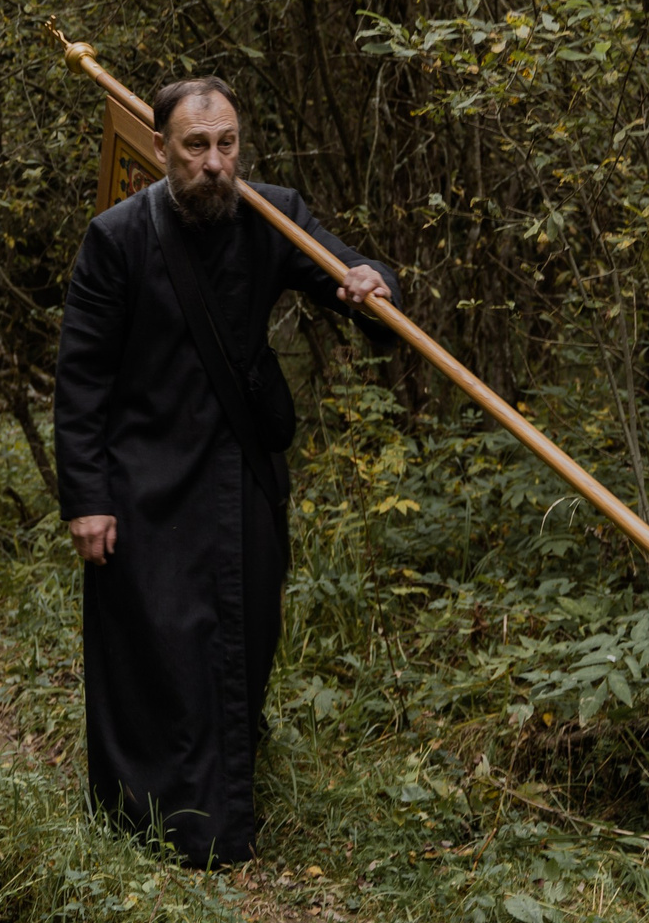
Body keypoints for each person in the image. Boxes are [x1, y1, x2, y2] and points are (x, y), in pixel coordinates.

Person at [52, 77, 394, 868]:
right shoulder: (116, 237)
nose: (215, 163)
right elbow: (82, 380)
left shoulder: (273, 213)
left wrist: (369, 281)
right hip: (143, 474)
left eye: (227, 143)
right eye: (196, 146)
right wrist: (88, 499)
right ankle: (149, 822)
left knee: (245, 636)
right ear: (161, 149)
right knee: (159, 644)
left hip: (240, 471)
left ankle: (225, 814)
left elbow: (343, 272)